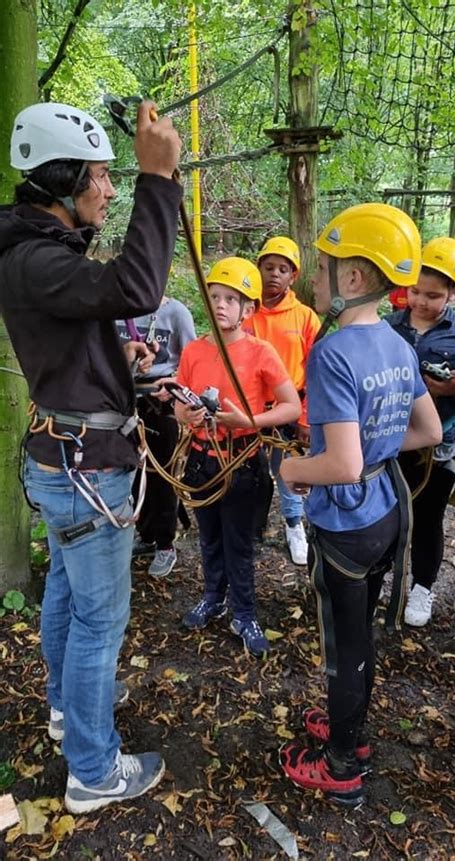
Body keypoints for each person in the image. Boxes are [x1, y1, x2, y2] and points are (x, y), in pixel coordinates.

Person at [0, 100, 182, 814]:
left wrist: (116, 352)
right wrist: (159, 181)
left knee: (69, 600)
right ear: (64, 180)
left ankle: (65, 713)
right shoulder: (38, 258)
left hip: (65, 457)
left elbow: (82, 324)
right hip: (86, 468)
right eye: (102, 178)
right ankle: (94, 771)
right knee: (99, 623)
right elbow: (136, 287)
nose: (110, 191)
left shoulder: (36, 254)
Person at [277, 203, 442, 806]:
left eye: (321, 269)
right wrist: (370, 445)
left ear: (351, 279)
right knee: (360, 632)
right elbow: (428, 431)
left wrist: (294, 469)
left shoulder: (333, 352)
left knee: (345, 645)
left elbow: (340, 466)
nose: (313, 280)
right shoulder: (397, 345)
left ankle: (342, 761)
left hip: (346, 520)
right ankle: (351, 728)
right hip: (387, 512)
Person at [175, 257, 301, 656]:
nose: (221, 305)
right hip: (201, 459)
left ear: (249, 309)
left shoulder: (261, 352)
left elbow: (291, 407)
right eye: (214, 296)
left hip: (243, 461)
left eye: (231, 299)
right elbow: (179, 402)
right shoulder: (194, 351)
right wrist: (186, 413)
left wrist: (249, 419)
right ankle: (213, 596)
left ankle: (244, 612)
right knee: (209, 536)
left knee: (240, 543)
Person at [386, 236, 455, 626]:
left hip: (438, 446)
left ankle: (422, 585)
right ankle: (380, 578)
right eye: (415, 291)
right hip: (390, 439)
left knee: (428, 515)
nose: (420, 301)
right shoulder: (387, 327)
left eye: (433, 295)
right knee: (385, 512)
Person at [244, 237, 321, 564]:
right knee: (249, 469)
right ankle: (250, 524)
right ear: (258, 269)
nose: (274, 274)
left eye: (283, 269)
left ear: (293, 276)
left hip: (290, 410)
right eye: (269, 267)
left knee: (288, 468)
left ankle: (293, 525)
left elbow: (317, 371)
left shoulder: (305, 317)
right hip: (252, 410)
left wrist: (306, 418)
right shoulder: (245, 313)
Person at [117, 295, 196, 577]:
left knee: (161, 473)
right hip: (123, 402)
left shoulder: (176, 313)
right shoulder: (118, 308)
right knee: (132, 473)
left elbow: (192, 359)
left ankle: (165, 543)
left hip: (159, 404)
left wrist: (176, 384)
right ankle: (146, 535)